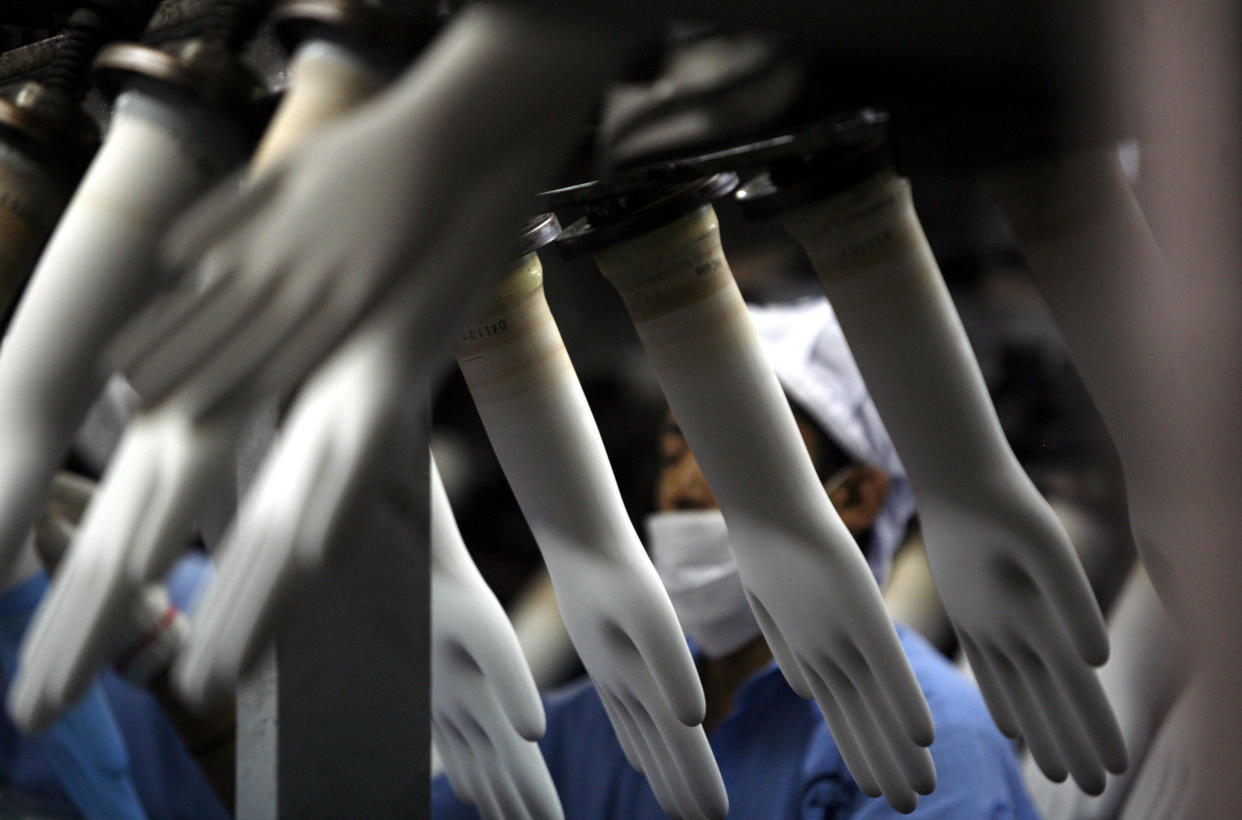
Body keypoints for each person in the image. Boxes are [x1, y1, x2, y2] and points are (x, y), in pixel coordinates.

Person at [432, 296, 1038, 818]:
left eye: (730, 454)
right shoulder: (619, 715)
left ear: (854, 495)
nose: (683, 490)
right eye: (674, 454)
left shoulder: (934, 741)